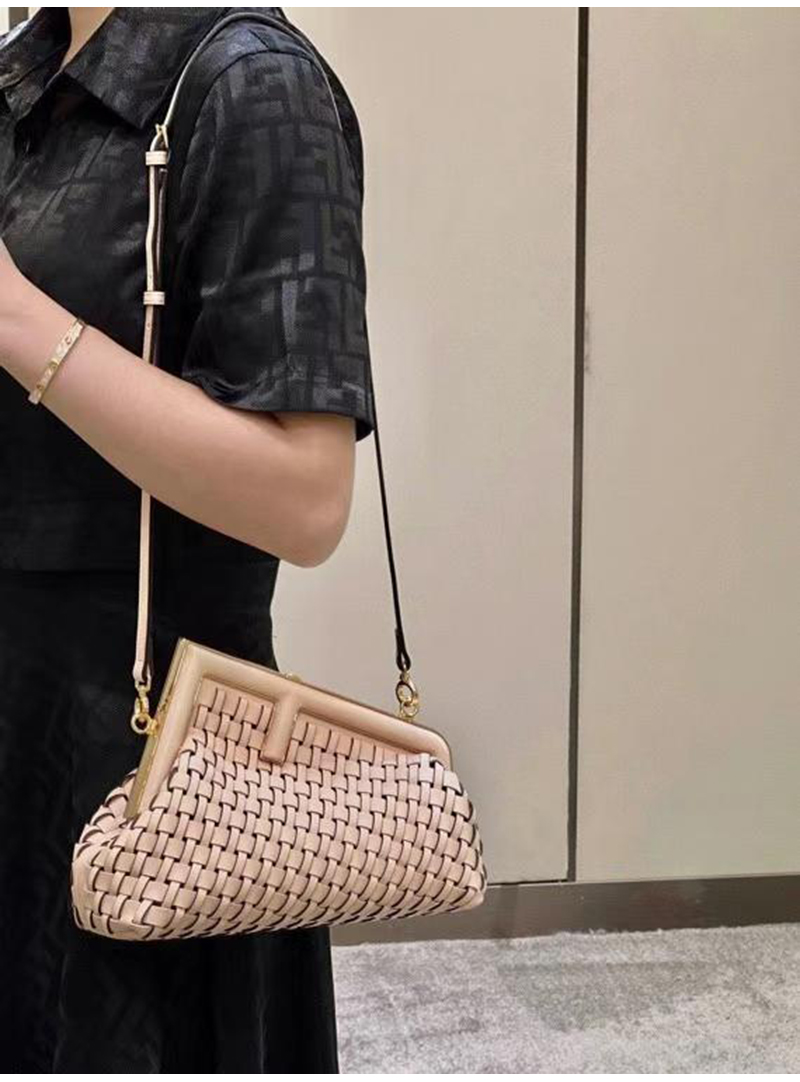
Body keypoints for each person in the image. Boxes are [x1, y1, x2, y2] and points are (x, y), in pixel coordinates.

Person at [0, 5, 376, 1072]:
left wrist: (18, 321)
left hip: (150, 758)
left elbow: (307, 499)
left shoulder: (250, 82)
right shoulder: (26, 73)